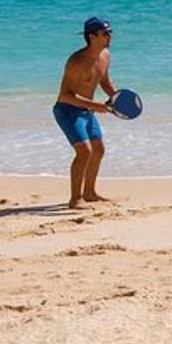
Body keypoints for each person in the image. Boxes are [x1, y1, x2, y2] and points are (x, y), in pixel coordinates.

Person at [52, 17, 118, 209]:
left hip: (87, 110)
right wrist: (98, 106)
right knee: (84, 152)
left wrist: (118, 99)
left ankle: (89, 193)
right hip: (68, 111)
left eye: (110, 32)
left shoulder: (105, 55)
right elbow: (65, 96)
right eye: (105, 33)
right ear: (92, 36)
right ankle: (75, 199)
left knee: (98, 150)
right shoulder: (76, 61)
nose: (110, 36)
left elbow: (104, 81)